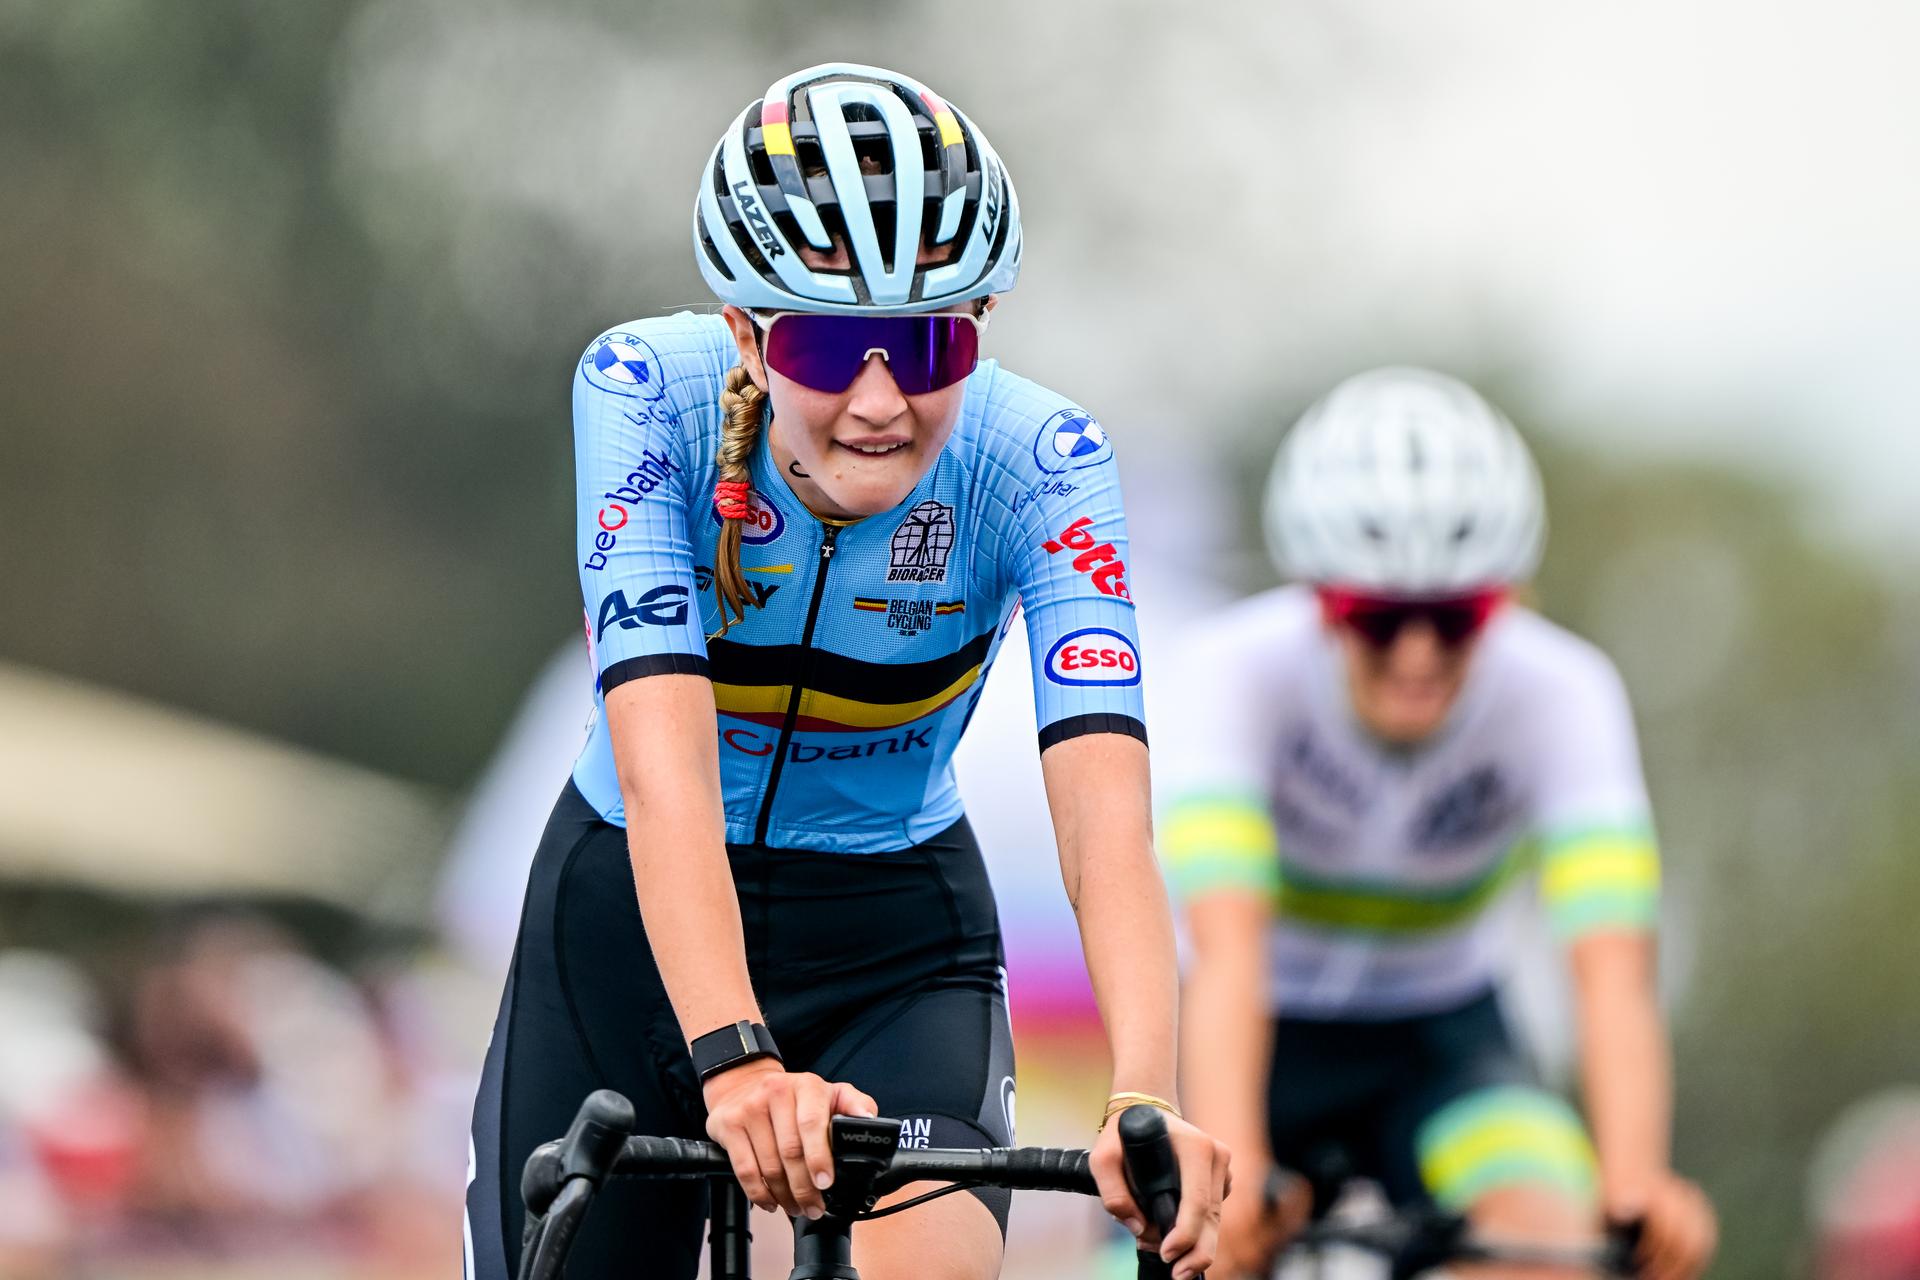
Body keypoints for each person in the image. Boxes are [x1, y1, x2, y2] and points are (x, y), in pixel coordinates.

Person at [463, 64, 1228, 1280]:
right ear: (746, 338)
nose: (881, 399)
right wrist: (735, 1057)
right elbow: (670, 784)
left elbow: (1106, 825)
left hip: (894, 943)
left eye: (928, 342)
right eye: (828, 342)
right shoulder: (640, 392)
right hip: (630, 929)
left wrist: (1144, 1094)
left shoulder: (1043, 459)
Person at [1157, 369, 1717, 1280]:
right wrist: (1236, 1170)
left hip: (1442, 1039)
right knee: (1201, 1253)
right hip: (1258, 1030)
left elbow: (1612, 968)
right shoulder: (1234, 674)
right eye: (1377, 619)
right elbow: (1226, 951)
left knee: (1544, 1240)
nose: (1417, 652)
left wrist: (1634, 1188)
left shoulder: (1563, 693)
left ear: (1508, 602)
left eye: (1456, 619)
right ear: (1319, 601)